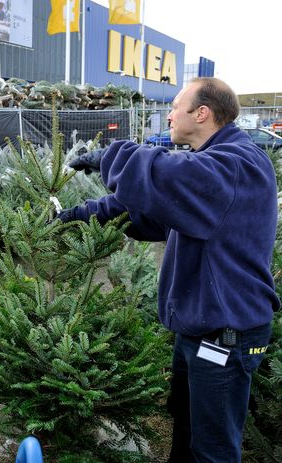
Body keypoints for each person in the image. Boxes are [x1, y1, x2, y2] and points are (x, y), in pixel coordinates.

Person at [60, 77, 277, 463]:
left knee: (213, 449)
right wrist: (76, 215)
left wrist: (109, 154)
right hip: (200, 328)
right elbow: (149, 212)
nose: (170, 113)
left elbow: (166, 175)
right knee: (187, 425)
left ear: (203, 114)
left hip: (227, 336)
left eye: (177, 105)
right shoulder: (209, 168)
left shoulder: (237, 165)